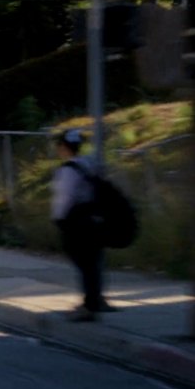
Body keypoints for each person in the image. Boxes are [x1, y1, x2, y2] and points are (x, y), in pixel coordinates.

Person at [51, 129, 117, 322]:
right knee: (94, 261)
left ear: (64, 147)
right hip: (95, 217)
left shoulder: (68, 170)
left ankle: (90, 306)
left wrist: (58, 218)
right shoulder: (90, 164)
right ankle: (96, 299)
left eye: (60, 146)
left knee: (83, 262)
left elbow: (65, 197)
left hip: (76, 220)